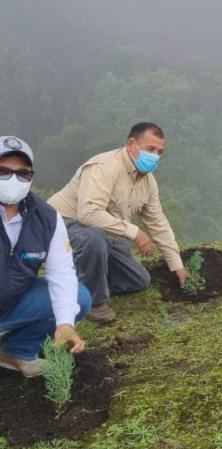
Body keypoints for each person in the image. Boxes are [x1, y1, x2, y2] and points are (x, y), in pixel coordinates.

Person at [48, 123, 186, 323]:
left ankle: (81, 281)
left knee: (138, 280)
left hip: (104, 231)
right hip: (63, 224)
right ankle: (94, 303)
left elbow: (158, 223)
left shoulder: (148, 181)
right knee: (93, 239)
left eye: (159, 152)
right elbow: (88, 213)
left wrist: (177, 264)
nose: (155, 156)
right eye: (150, 149)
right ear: (131, 144)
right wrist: (135, 232)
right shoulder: (104, 167)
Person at [0, 135, 90, 377]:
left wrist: (65, 324)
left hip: (11, 304)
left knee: (79, 298)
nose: (14, 180)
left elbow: (61, 272)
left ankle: (16, 351)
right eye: (3, 172)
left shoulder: (47, 218)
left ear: (31, 176)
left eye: (23, 174)